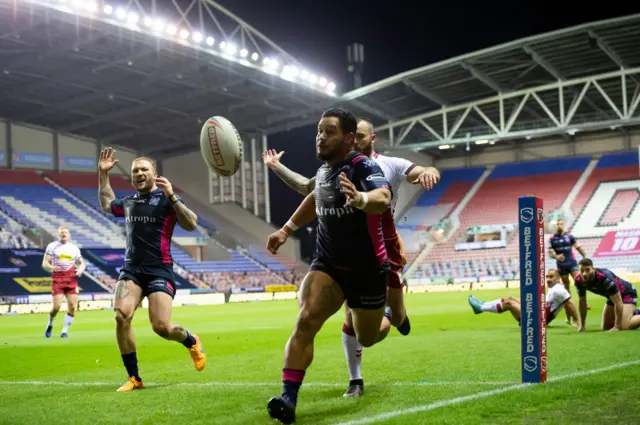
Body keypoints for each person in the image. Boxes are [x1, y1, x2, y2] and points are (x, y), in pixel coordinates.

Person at [262, 117, 440, 397]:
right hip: (333, 256)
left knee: (373, 332)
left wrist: (429, 172)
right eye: (351, 136)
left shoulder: (384, 164)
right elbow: (310, 191)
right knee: (312, 318)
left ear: (371, 138)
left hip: (378, 249)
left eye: (359, 136)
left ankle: (392, 313)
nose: (355, 140)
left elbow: (395, 188)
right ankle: (332, 385)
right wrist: (277, 172)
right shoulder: (329, 169)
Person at [265, 108, 392, 424]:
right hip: (329, 264)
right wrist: (286, 229)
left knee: (367, 337)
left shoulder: (364, 166)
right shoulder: (323, 173)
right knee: (306, 320)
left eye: (329, 131)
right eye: (319, 131)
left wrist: (361, 200)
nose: (320, 137)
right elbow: (314, 199)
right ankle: (288, 399)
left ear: (349, 138)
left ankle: (387, 316)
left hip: (367, 270)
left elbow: (384, 196)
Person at [98, 148, 206, 392]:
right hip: (132, 270)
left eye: (143, 169)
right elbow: (106, 202)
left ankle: (191, 340)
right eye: (135, 170)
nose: (138, 173)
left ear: (154, 174)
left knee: (162, 328)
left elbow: (191, 224)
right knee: (121, 316)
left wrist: (173, 196)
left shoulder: (167, 200)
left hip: (159, 270)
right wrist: (103, 174)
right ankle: (134, 378)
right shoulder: (129, 202)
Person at [467, 269, 580, 327]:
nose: (548, 279)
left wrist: (575, 320)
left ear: (558, 278)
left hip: (538, 319)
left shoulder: (558, 289)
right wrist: (568, 318)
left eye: (551, 277)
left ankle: (480, 307)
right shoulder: (555, 288)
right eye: (546, 277)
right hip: (537, 312)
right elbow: (564, 303)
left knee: (509, 303)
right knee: (511, 298)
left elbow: (569, 303)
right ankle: (483, 305)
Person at [42, 226, 85, 338]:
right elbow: (45, 263)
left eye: (65, 232)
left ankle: (64, 331)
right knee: (56, 307)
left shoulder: (74, 248)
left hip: (71, 279)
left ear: (69, 234)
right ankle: (50, 324)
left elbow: (82, 263)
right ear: (59, 234)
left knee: (72, 306)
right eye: (62, 233)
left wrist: (80, 269)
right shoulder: (52, 246)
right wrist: (51, 267)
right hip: (58, 279)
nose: (64, 234)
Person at [574, 258, 640, 332]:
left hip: (626, 294)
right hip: (611, 296)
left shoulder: (604, 277)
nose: (584, 274)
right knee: (606, 327)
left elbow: (618, 301)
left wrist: (616, 326)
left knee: (624, 326)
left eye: (587, 270)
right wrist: (582, 326)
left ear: (593, 269)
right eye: (582, 270)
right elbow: (582, 302)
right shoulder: (578, 281)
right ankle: (636, 312)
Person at [548, 219, 589, 322]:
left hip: (572, 263)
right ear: (555, 226)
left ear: (563, 225)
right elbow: (550, 253)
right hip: (562, 266)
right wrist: (556, 256)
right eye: (558, 224)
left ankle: (583, 301)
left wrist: (585, 256)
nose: (559, 226)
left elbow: (578, 247)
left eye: (561, 224)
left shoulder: (569, 236)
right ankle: (568, 313)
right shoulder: (552, 239)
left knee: (579, 281)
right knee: (566, 288)